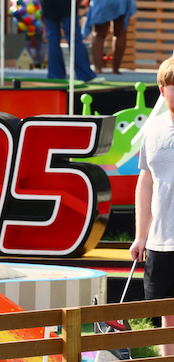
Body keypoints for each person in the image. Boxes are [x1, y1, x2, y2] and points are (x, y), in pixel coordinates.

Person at [131, 57, 174, 356]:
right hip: (161, 240)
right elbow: (145, 183)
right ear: (162, 90)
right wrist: (140, 236)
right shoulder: (153, 128)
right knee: (165, 313)